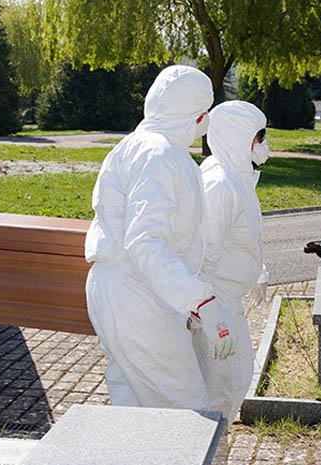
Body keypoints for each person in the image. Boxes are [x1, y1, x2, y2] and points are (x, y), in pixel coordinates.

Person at [85, 65, 238, 413]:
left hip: (123, 289)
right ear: (196, 115)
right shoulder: (162, 154)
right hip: (138, 295)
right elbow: (146, 242)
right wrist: (200, 300)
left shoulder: (134, 146)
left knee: (133, 405)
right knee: (185, 408)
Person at [196, 100, 271, 420]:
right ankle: (206, 454)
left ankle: (212, 448)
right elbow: (205, 251)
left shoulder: (237, 177)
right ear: (240, 136)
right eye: (260, 136)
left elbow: (241, 236)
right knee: (223, 382)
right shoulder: (220, 183)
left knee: (233, 379)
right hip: (215, 300)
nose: (264, 144)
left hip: (227, 298)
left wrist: (257, 271)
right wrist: (202, 307)